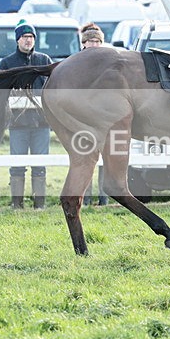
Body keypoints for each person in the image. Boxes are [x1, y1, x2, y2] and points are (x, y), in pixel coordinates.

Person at [0, 20, 53, 209]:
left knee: (40, 165)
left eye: (31, 37)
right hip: (18, 123)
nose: (28, 40)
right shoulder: (7, 63)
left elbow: (52, 88)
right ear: (17, 40)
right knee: (17, 165)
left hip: (41, 122)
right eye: (24, 37)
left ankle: (39, 204)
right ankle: (17, 204)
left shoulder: (44, 60)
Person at [80, 23, 108, 206]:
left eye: (97, 41)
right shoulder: (75, 64)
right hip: (83, 119)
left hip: (104, 119)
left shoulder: (108, 63)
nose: (94, 44)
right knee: (85, 159)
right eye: (91, 41)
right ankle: (86, 197)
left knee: (106, 158)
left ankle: (104, 198)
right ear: (84, 43)